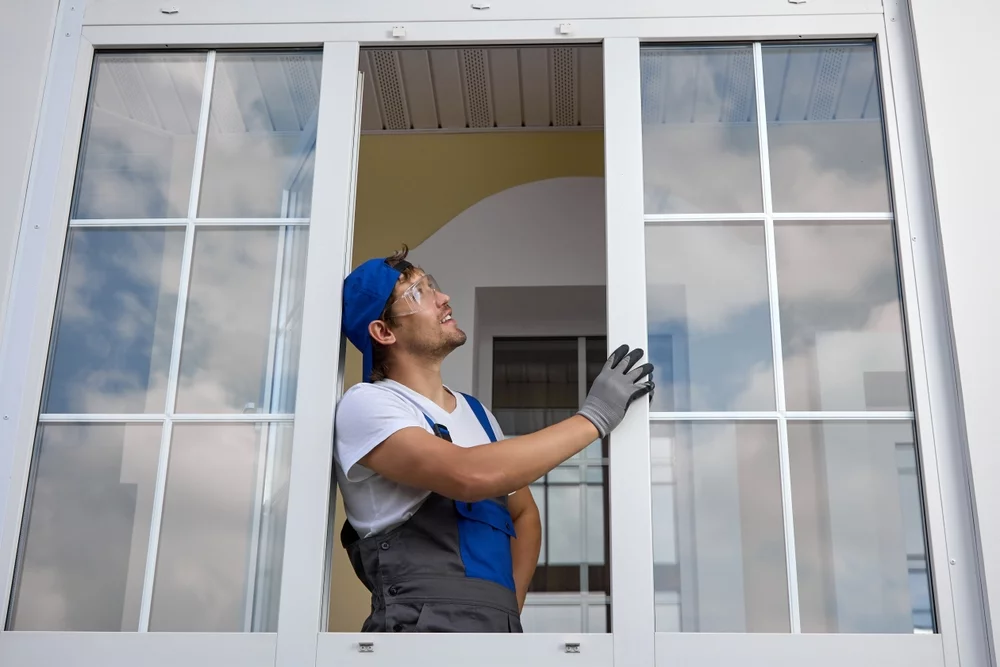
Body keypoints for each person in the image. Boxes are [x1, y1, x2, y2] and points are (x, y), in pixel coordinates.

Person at [334, 245, 654, 633]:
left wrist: (505, 611)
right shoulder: (368, 405)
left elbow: (524, 514)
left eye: (431, 283)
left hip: (495, 631)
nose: (442, 297)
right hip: (417, 631)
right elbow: (469, 476)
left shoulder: (478, 415)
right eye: (418, 293)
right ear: (383, 331)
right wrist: (594, 419)